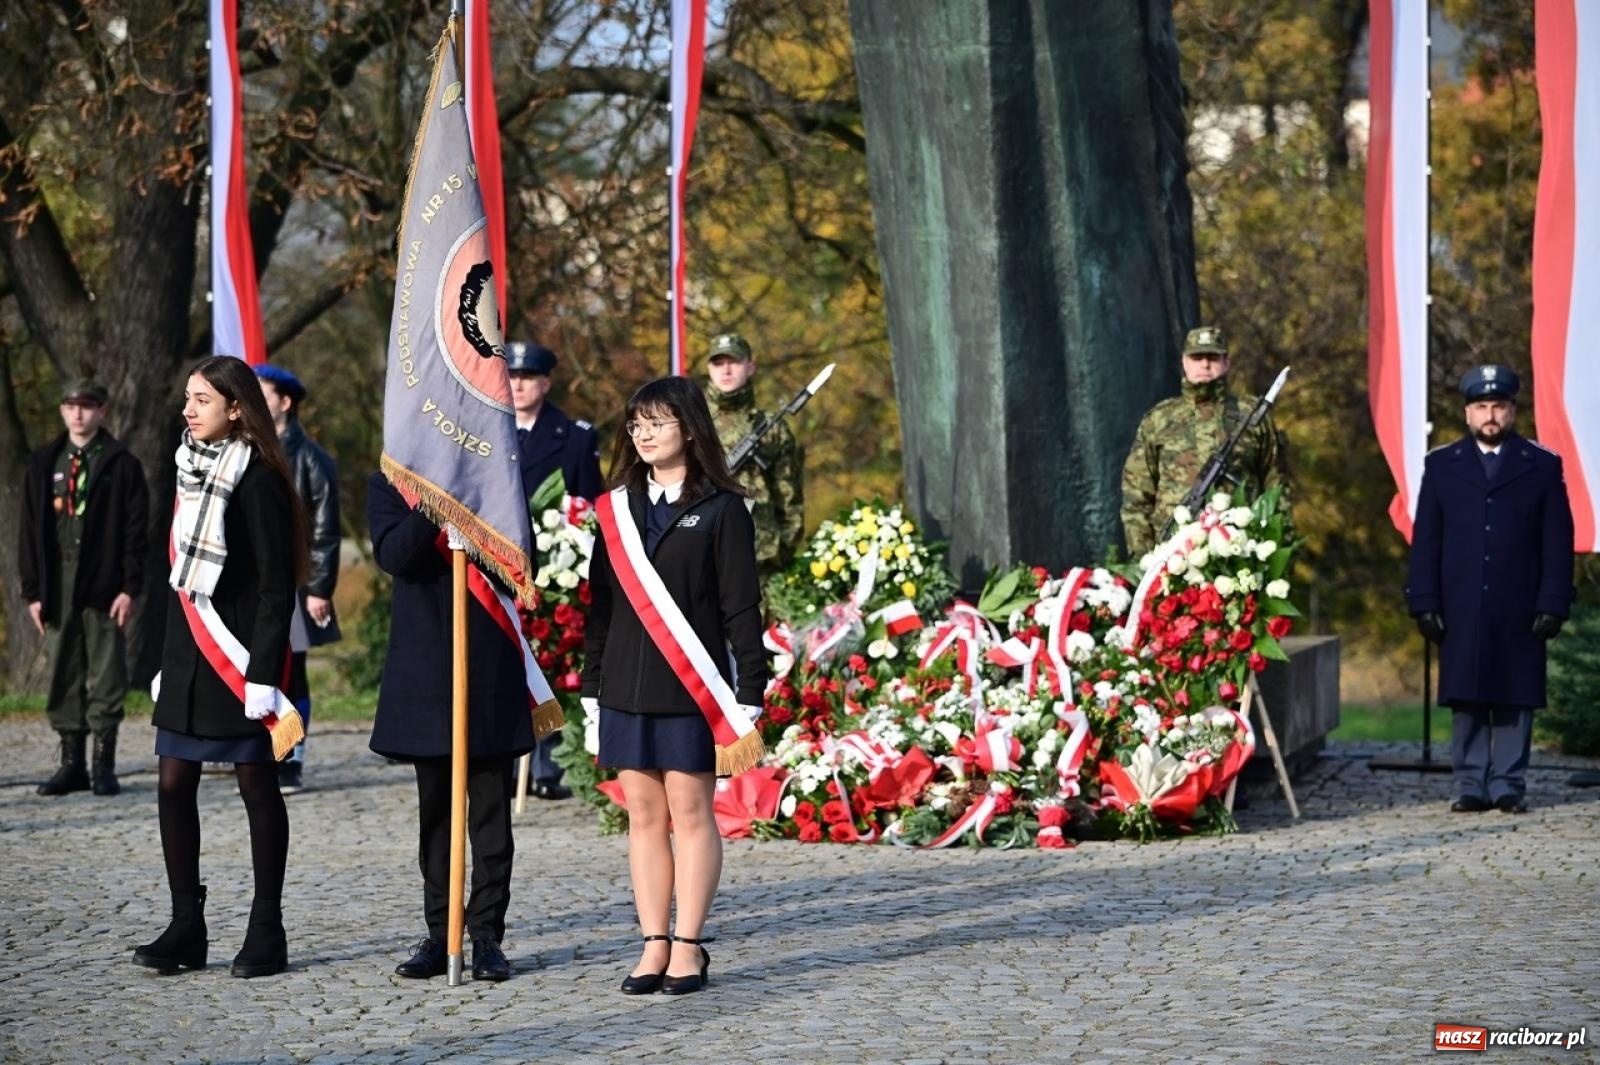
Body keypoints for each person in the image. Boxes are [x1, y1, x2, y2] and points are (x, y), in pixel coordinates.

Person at [583, 376, 768, 996]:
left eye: (656, 423)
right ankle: (652, 943)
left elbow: (743, 607)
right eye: (635, 425)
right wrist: (590, 685)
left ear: (688, 428)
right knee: (642, 816)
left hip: (692, 690)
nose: (643, 435)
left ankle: (689, 945)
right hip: (625, 689)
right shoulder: (615, 510)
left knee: (691, 816)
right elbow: (600, 608)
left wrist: (751, 689)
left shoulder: (721, 509)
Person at [134, 356, 306, 979]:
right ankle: (187, 926)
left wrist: (263, 673)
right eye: (187, 398)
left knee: (256, 787)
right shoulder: (187, 467)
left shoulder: (257, 479)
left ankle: (267, 930)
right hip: (188, 654)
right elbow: (178, 577)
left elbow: (273, 587)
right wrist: (163, 657)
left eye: (201, 400)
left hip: (238, 659)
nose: (188, 409)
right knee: (173, 784)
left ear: (236, 408)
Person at [367, 473, 536, 982]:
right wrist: (435, 513)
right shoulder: (391, 485)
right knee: (436, 813)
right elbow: (393, 555)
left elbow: (523, 570)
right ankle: (441, 930)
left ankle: (486, 934)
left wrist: (478, 532)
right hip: (427, 667)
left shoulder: (496, 485)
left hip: (488, 662)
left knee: (489, 813)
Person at [1405, 364, 1574, 814]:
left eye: (1499, 406)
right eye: (1481, 406)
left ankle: (1508, 783)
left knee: (1516, 693)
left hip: (1519, 599)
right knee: (1467, 691)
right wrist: (1423, 601)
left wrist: (1554, 601)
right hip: (1460, 600)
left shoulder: (1541, 465)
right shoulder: (1442, 465)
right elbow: (1427, 541)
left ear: (1513, 410)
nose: (1491, 415)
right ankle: (1470, 783)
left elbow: (1557, 541)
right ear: (1467, 413)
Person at [20, 378, 149, 797]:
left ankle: (103, 764)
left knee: (107, 671)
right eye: (71, 405)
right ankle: (72, 763)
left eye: (88, 406)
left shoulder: (121, 464)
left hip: (104, 582)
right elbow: (28, 531)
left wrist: (130, 586)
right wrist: (33, 591)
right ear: (61, 410)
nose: (78, 413)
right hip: (58, 581)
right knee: (63, 669)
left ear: (102, 412)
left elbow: (136, 532)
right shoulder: (45, 462)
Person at [506, 340, 603, 801]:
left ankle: (550, 766)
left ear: (545, 382)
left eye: (527, 377)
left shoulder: (576, 437)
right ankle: (505, 760)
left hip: (555, 569)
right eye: (511, 376)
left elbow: (588, 508)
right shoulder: (484, 432)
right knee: (502, 664)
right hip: (501, 568)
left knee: (553, 662)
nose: (518, 385)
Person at [1120, 325, 1290, 559]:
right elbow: (1136, 496)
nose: (1205, 364)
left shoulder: (1251, 416)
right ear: (1184, 362)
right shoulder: (1159, 419)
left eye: (1212, 357)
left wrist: (1276, 552)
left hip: (1241, 555)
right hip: (1173, 559)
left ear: (1226, 362)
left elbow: (1277, 489)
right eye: (1197, 357)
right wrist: (1144, 559)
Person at [255, 363, 342, 794]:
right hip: (251, 584)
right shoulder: (243, 451)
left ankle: (291, 757)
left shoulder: (311, 459)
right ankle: (257, 752)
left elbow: (325, 530)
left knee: (292, 675)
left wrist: (319, 589)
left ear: (285, 402)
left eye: (262, 392)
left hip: (294, 585)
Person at [700, 332, 805, 582]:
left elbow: (789, 499)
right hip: (703, 558)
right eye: (718, 363)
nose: (726, 370)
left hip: (763, 562)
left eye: (733, 362)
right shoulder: (692, 424)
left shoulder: (772, 428)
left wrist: (783, 554)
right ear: (709, 369)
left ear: (750, 366)